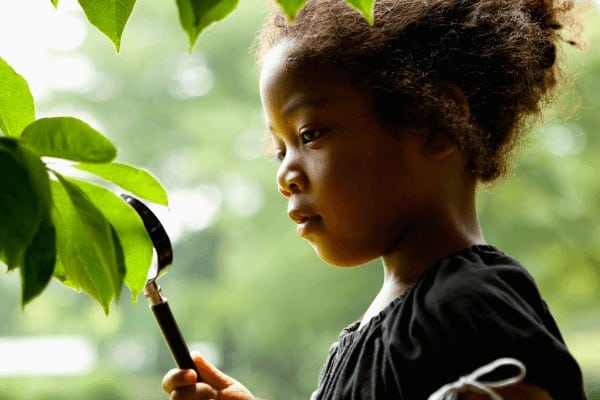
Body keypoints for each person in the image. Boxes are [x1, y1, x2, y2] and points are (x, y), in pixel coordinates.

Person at [162, 0, 588, 398]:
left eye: (309, 135)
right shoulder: (365, 336)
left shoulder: (470, 303)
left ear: (434, 122)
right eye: (280, 149)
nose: (284, 176)